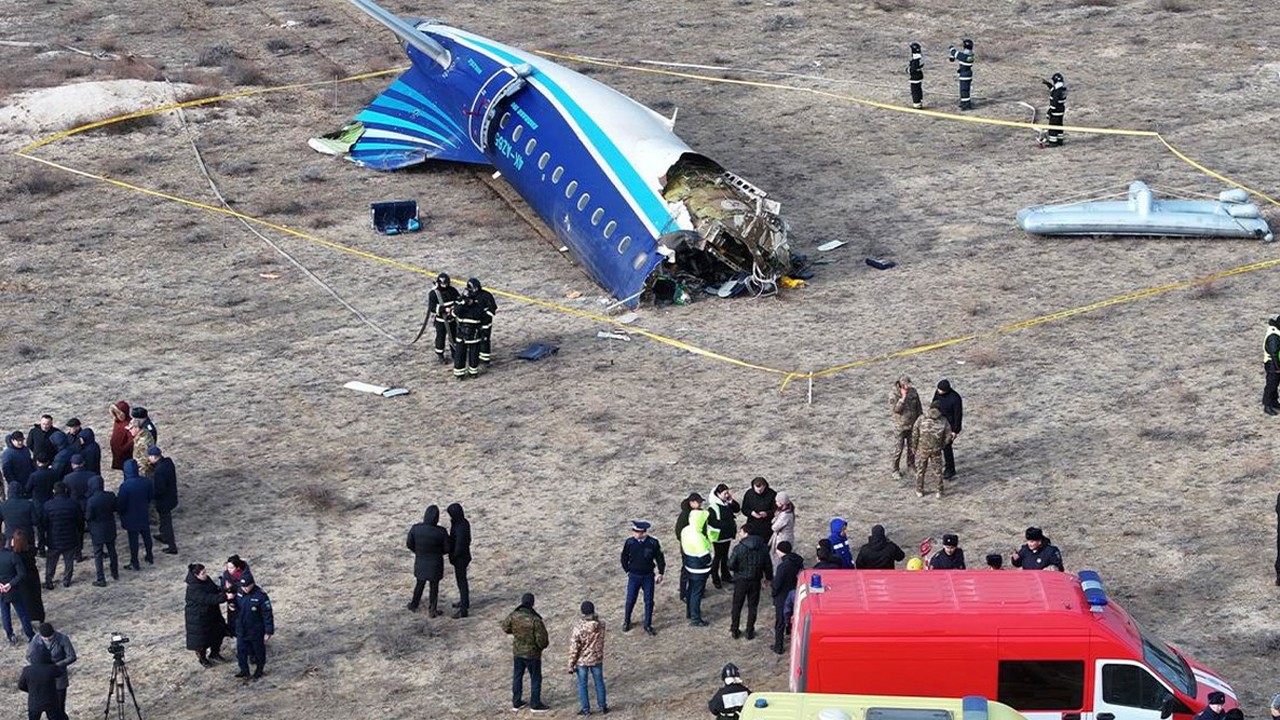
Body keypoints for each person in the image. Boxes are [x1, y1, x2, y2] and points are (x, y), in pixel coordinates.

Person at [502, 592, 550, 712]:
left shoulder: (514, 615)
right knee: (535, 678)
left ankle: (516, 702)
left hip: (518, 652)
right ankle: (535, 704)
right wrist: (538, 647)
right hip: (533, 654)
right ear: (532, 603)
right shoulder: (535, 620)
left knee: (517, 676)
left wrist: (517, 634)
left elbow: (505, 627)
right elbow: (542, 641)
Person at [620, 519, 664, 635]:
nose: (634, 533)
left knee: (649, 601)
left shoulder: (653, 543)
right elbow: (624, 557)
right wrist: (627, 571)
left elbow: (659, 558)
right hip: (634, 576)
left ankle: (648, 624)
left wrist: (660, 572)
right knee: (630, 600)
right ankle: (627, 621)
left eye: (637, 532)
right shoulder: (629, 543)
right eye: (634, 531)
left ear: (644, 532)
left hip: (648, 576)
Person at [727, 527, 768, 641]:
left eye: (741, 532)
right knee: (752, 606)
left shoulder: (739, 548)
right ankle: (750, 631)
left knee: (737, 606)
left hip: (741, 581)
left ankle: (735, 629)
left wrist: (738, 570)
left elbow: (730, 564)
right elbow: (767, 564)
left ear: (746, 533)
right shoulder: (763, 547)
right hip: (755, 580)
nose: (739, 534)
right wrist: (768, 578)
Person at [567, 600, 608, 716]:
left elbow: (574, 648)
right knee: (599, 682)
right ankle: (603, 706)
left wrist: (571, 664)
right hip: (597, 658)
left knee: (582, 685)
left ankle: (586, 709)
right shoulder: (601, 625)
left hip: (582, 661)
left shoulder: (579, 628)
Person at [406, 504, 448, 616]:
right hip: (435, 563)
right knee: (434, 588)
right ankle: (432, 610)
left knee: (419, 584)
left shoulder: (416, 528)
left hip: (421, 562)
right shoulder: (441, 532)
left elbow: (409, 544)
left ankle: (414, 605)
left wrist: (418, 551)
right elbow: (447, 548)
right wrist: (438, 553)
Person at [27, 622, 76, 716]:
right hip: (43, 679)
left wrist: (56, 666)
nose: (48, 639)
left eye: (50, 637)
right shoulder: (36, 639)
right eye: (45, 638)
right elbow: (29, 656)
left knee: (59, 707)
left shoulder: (63, 638)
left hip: (58, 677)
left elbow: (71, 656)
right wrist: (40, 667)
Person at [184, 563, 227, 667]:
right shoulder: (193, 588)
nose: (206, 575)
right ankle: (202, 658)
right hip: (199, 618)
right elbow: (208, 599)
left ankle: (214, 653)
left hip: (212, 614)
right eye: (203, 573)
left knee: (218, 634)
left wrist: (223, 590)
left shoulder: (206, 580)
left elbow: (214, 589)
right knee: (201, 641)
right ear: (196, 575)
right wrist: (224, 597)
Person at [232, 575, 274, 679]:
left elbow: (267, 614)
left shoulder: (260, 596)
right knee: (241, 651)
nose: (245, 589)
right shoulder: (239, 591)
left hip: (256, 630)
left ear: (252, 584)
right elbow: (235, 603)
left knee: (258, 651)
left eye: (247, 586)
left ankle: (259, 670)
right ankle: (244, 670)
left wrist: (268, 631)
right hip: (242, 628)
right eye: (243, 587)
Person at [681, 500, 714, 626]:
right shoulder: (698, 536)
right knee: (697, 593)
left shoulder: (686, 530)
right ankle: (695, 618)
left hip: (689, 565)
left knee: (690, 590)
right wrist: (710, 561)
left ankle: (690, 612)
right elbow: (704, 557)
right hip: (699, 569)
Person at [41, 483, 81, 588]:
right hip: (70, 537)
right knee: (69, 562)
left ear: (54, 491)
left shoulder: (48, 505)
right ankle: (66, 580)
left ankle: (49, 580)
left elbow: (44, 523)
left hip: (53, 539)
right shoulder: (73, 504)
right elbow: (79, 521)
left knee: (51, 562)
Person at [115, 459, 153, 570]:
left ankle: (134, 562)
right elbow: (150, 496)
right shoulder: (146, 482)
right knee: (147, 536)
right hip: (143, 513)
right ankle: (149, 555)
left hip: (130, 516)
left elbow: (121, 504)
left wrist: (120, 513)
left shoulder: (125, 486)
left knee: (133, 540)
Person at [912, 402, 955, 498]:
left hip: (922, 449)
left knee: (920, 470)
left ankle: (919, 490)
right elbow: (948, 436)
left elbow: (915, 433)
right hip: (936, 450)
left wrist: (914, 447)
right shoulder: (944, 421)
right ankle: (939, 491)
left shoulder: (921, 418)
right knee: (937, 471)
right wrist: (942, 445)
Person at [770, 541, 804, 654]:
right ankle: (789, 631)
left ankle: (778, 646)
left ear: (781, 551)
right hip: (794, 592)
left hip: (783, 596)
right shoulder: (798, 561)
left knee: (780, 622)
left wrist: (773, 592)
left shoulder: (783, 567)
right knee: (792, 615)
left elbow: (777, 584)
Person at [84, 476, 118, 586]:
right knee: (112, 550)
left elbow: (88, 516)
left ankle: (101, 578)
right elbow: (115, 508)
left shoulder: (91, 500)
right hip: (110, 527)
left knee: (98, 554)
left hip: (97, 530)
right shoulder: (110, 496)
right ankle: (115, 572)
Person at [19, 643, 67, 720]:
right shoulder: (51, 669)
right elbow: (60, 673)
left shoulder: (27, 670)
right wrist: (51, 662)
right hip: (51, 702)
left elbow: (21, 685)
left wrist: (31, 691)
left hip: (34, 702)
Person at [1, 535, 34, 642]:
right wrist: (10, 584)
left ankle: (10, 635)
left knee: (5, 613)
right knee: (22, 613)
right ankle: (30, 634)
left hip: (1, 590)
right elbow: (22, 573)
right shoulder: (12, 556)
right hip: (13, 589)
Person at [707, 483, 739, 589]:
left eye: (727, 492)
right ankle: (715, 577)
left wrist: (731, 501)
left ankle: (725, 575)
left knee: (725, 556)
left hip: (727, 535)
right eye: (725, 493)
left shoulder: (726, 503)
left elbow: (737, 509)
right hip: (718, 537)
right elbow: (713, 522)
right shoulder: (713, 507)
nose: (727, 495)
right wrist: (728, 524)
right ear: (718, 494)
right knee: (718, 557)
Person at [891, 374, 923, 477]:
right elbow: (896, 410)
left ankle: (911, 465)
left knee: (912, 447)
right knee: (898, 449)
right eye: (906, 385)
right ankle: (895, 469)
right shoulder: (894, 394)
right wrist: (903, 398)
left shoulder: (913, 392)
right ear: (901, 385)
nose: (908, 387)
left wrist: (920, 421)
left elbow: (918, 407)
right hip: (900, 426)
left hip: (912, 424)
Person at [148, 446, 179, 554]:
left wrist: (151, 494)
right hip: (171, 496)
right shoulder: (168, 462)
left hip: (164, 501)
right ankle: (163, 535)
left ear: (154, 457)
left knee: (166, 522)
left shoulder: (159, 471)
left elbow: (159, 489)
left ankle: (172, 546)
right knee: (164, 520)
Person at [452, 288, 488, 379]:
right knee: (460, 356)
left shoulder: (478, 308)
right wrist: (462, 304)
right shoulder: (460, 307)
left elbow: (484, 321)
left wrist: (483, 334)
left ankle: (473, 372)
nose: (468, 301)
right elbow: (454, 313)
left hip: (474, 336)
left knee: (474, 355)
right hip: (462, 336)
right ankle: (459, 374)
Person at [11, 529, 44, 625]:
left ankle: (30, 618)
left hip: (22, 579)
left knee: (26, 599)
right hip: (33, 576)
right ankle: (40, 617)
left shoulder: (15, 554)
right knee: (37, 597)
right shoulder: (31, 550)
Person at [932, 379, 964, 480]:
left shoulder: (955, 398)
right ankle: (938, 466)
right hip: (938, 423)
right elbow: (933, 405)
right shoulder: (937, 393)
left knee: (947, 447)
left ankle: (950, 469)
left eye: (940, 390)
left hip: (949, 426)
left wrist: (955, 431)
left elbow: (958, 415)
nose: (938, 391)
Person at [427, 273, 460, 364]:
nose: (445, 286)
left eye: (446, 284)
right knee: (440, 338)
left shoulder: (453, 291)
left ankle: (455, 353)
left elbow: (458, 301)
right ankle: (440, 355)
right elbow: (432, 307)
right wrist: (443, 309)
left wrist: (454, 309)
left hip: (452, 319)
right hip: (441, 321)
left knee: (454, 336)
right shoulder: (434, 294)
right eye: (443, 284)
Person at [446, 503, 471, 618]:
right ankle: (464, 602)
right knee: (462, 581)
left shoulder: (459, 526)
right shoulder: (463, 522)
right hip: (464, 556)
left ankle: (464, 609)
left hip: (460, 558)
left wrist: (453, 556)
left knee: (461, 582)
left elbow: (459, 545)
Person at [466, 277, 498, 365]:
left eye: (476, 287)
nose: (475, 290)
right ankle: (476, 357)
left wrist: (484, 317)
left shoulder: (486, 295)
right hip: (474, 324)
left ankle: (485, 359)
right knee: (475, 341)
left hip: (485, 324)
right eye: (473, 288)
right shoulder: (468, 296)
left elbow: (492, 308)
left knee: (485, 340)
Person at [221, 556, 253, 634]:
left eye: (231, 568)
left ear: (238, 568)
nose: (229, 569)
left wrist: (233, 588)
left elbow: (246, 588)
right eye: (228, 567)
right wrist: (226, 588)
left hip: (243, 601)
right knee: (233, 619)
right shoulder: (226, 574)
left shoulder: (246, 575)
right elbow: (223, 586)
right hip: (232, 601)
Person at [3, 432, 34, 499]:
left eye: (22, 440)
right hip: (17, 484)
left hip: (28, 481)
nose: (20, 442)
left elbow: (30, 462)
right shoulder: (8, 454)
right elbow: (7, 471)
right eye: (18, 441)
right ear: (12, 440)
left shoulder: (25, 450)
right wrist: (14, 484)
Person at [768, 492, 795, 570]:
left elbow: (774, 527)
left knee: (779, 558)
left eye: (777, 502)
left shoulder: (785, 515)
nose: (776, 503)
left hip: (782, 538)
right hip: (784, 536)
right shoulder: (786, 511)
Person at [1040, 72, 1068, 148]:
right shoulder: (1062, 89)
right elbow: (1053, 89)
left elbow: (1054, 104)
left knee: (1053, 128)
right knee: (1059, 126)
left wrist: (1049, 112)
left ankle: (1053, 142)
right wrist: (1047, 84)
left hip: (1055, 112)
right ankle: (1059, 141)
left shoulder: (1056, 92)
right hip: (1061, 112)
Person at [946, 39, 975, 110]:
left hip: (964, 75)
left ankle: (966, 104)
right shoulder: (970, 55)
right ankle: (964, 102)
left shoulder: (964, 56)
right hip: (967, 74)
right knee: (965, 90)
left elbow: (955, 53)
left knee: (964, 90)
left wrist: (951, 48)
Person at [108, 401, 132, 471]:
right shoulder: (117, 422)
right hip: (117, 453)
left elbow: (131, 441)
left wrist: (123, 448)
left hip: (126, 455)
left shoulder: (129, 424)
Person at [1264, 315, 1280, 416]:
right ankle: (1267, 405)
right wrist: (1277, 368)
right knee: (1271, 385)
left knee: (1275, 384)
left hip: (1276, 363)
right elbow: (1273, 353)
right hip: (1273, 364)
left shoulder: (1276, 332)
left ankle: (1274, 402)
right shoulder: (1273, 336)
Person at [906, 43, 925, 109]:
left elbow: (912, 69)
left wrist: (907, 70)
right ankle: (920, 101)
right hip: (919, 75)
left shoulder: (915, 60)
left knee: (915, 90)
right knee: (919, 89)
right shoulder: (921, 58)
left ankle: (917, 103)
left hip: (915, 77)